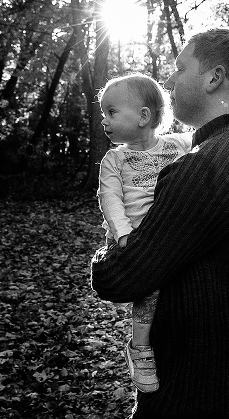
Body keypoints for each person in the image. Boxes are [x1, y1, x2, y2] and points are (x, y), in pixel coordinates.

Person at [91, 28, 229, 418]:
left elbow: (120, 278)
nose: (168, 81)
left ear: (214, 77)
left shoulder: (206, 167)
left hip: (198, 392)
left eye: (180, 68)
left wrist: (107, 251)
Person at [96, 73, 192, 393]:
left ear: (143, 116)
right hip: (134, 238)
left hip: (168, 234)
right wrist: (123, 234)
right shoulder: (114, 159)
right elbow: (109, 198)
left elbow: (206, 139)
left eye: (111, 112)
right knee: (148, 293)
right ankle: (140, 349)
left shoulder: (176, 144)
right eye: (103, 113)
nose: (104, 120)